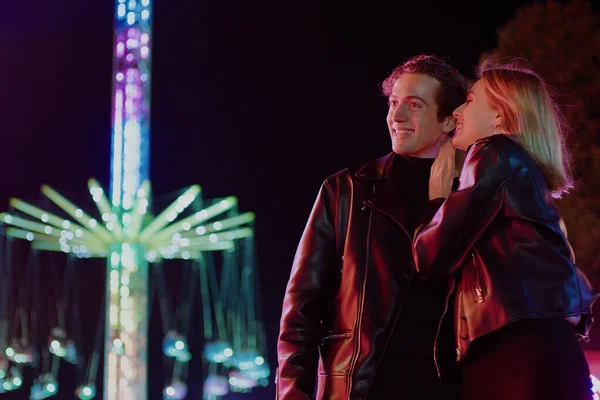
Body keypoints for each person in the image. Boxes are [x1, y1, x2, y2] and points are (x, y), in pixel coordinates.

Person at [276, 54, 467, 399]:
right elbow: (300, 311)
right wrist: (292, 393)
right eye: (394, 103)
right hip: (359, 389)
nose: (397, 116)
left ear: (448, 121)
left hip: (446, 388)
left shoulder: (471, 194)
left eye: (414, 105)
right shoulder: (345, 190)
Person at [413, 58, 599, 400]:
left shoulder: (492, 152)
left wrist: (437, 201)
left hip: (515, 353)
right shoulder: (522, 170)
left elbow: (430, 254)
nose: (457, 112)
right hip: (541, 350)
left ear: (501, 116)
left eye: (469, 101)